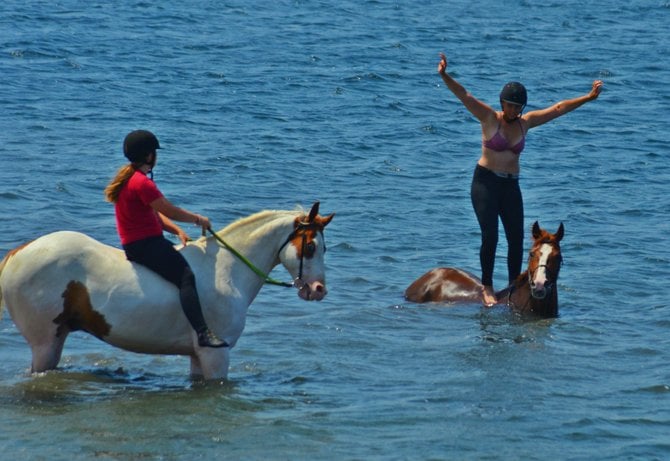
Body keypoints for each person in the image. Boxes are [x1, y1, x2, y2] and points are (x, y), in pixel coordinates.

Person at [437, 53, 603, 306]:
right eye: (509, 105)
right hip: (485, 183)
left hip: (510, 185)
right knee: (490, 236)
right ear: (502, 103)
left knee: (516, 238)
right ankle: (488, 287)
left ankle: (513, 285)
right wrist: (445, 75)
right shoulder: (489, 118)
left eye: (517, 106)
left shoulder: (526, 124)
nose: (513, 109)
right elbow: (465, 96)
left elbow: (558, 109)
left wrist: (588, 97)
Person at [104, 129, 227, 348]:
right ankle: (202, 333)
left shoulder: (129, 179)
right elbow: (169, 210)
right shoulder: (143, 183)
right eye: (154, 153)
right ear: (149, 156)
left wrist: (176, 230)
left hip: (140, 243)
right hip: (145, 245)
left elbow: (155, 215)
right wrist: (199, 220)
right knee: (186, 277)